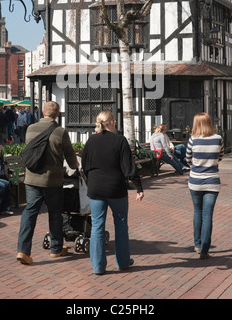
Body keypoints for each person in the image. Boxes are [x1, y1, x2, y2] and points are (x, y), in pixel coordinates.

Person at [81, 111, 144, 275]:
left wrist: (92, 180)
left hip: (95, 188)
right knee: (121, 224)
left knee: (97, 226)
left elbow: (85, 166)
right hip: (116, 188)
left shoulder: (91, 141)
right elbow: (129, 167)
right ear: (112, 123)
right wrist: (139, 187)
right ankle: (123, 262)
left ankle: (98, 266)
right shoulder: (120, 141)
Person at [17, 101, 79, 265]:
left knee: (30, 212)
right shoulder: (60, 132)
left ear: (43, 112)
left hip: (32, 178)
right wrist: (76, 166)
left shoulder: (30, 129)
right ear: (57, 114)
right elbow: (70, 156)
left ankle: (23, 250)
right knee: (55, 213)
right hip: (52, 180)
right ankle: (56, 248)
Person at [186, 112, 224, 260]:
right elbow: (220, 157)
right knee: (208, 215)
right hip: (212, 181)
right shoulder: (218, 139)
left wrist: (197, 165)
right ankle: (204, 249)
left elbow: (188, 159)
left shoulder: (193, 140)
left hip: (195, 180)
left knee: (197, 211)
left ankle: (197, 244)